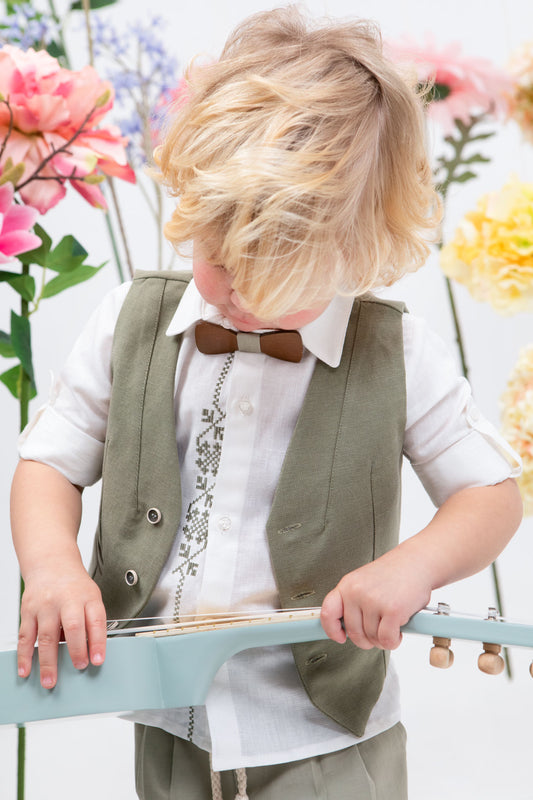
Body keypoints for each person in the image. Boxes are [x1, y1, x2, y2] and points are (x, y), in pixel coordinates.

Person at [10, 7, 522, 800]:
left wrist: (410, 569)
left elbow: (490, 494)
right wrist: (51, 568)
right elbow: (49, 462)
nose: (242, 296)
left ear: (355, 247)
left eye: (278, 277)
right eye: (221, 263)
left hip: (324, 737)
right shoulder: (129, 322)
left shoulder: (395, 351)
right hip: (169, 718)